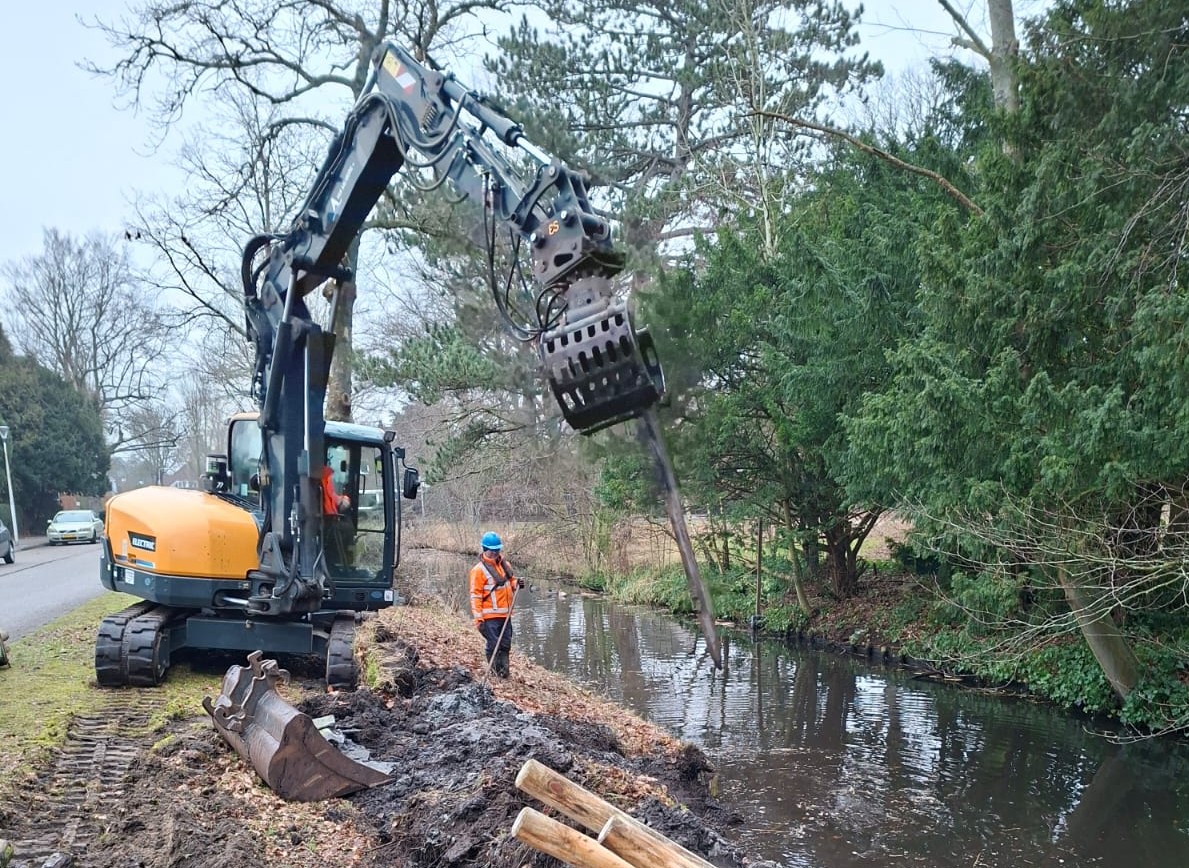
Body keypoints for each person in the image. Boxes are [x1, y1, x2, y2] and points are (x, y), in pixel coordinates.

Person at [468, 531, 524, 678]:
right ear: (484, 549)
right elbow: (475, 596)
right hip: (489, 617)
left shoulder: (505, 565)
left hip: (506, 615)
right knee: (494, 645)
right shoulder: (478, 571)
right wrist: (478, 619)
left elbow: (510, 582)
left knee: (505, 645)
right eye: (492, 550)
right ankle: (494, 673)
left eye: (497, 550)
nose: (495, 553)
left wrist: (517, 583)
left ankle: (504, 673)